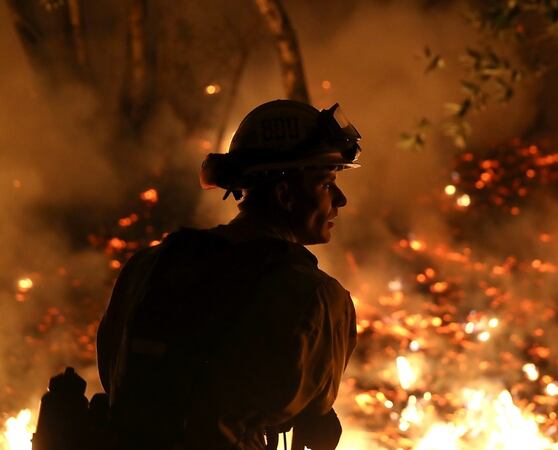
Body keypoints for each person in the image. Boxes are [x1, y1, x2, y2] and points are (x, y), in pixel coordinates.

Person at [96, 100, 361, 450]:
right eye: (327, 183)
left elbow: (112, 375)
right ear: (284, 194)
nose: (339, 199)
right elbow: (312, 408)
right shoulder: (316, 296)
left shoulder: (147, 265)